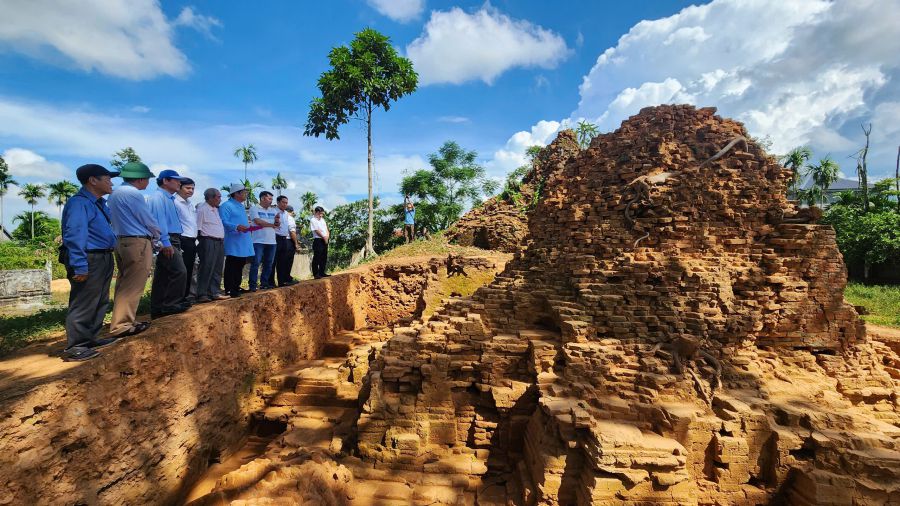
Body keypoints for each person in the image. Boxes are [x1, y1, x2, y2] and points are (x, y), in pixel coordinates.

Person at [60, 164, 120, 361]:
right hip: (88, 256)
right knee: (84, 300)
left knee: (100, 298)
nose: (111, 182)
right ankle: (75, 346)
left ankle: (90, 338)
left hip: (102, 255)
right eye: (107, 178)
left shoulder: (98, 204)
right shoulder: (79, 203)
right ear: (93, 180)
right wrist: (79, 265)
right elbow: (74, 235)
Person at [108, 161, 159, 338]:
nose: (148, 183)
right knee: (133, 284)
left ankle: (124, 320)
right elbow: (146, 218)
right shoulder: (132, 194)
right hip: (137, 242)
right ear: (140, 179)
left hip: (122, 241)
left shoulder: (114, 194)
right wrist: (157, 233)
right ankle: (122, 325)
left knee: (124, 283)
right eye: (147, 179)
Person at [147, 169, 189, 318]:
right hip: (168, 239)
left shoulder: (168, 198)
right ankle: (170, 304)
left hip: (172, 238)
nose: (179, 183)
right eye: (176, 180)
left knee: (163, 274)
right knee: (179, 271)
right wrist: (165, 242)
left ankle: (158, 308)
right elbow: (159, 222)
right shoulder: (159, 197)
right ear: (165, 181)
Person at [220, 183, 254, 298]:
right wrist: (236, 226)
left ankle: (236, 286)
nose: (246, 194)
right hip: (233, 239)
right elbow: (223, 221)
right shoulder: (226, 206)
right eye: (244, 192)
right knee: (232, 263)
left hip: (243, 239)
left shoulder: (240, 206)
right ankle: (229, 288)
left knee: (240, 264)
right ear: (236, 193)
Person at [195, 188, 228, 302]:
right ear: (210, 198)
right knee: (206, 267)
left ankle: (214, 292)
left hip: (219, 241)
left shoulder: (216, 210)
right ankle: (202, 294)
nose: (220, 199)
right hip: (207, 241)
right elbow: (197, 228)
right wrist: (201, 243)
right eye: (218, 197)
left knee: (218, 267)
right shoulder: (202, 209)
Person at [249, 191, 279, 291]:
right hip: (258, 241)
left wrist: (277, 221)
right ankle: (252, 285)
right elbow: (258, 222)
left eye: (271, 199)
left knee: (268, 263)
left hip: (272, 241)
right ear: (262, 198)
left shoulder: (273, 210)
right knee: (256, 263)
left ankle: (264, 283)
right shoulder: (254, 208)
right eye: (269, 199)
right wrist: (271, 225)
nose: (271, 201)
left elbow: (277, 224)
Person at [174, 178, 198, 301]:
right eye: (188, 188)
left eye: (193, 188)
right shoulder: (174, 202)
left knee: (188, 269)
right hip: (181, 239)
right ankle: (177, 298)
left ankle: (184, 297)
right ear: (179, 187)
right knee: (181, 271)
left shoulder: (190, 204)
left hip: (192, 241)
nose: (191, 191)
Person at [270, 196, 299, 287]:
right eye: (283, 202)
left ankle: (281, 281)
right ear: (278, 202)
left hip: (283, 239)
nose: (285, 204)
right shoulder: (273, 211)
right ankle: (270, 282)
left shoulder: (286, 213)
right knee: (273, 261)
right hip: (275, 237)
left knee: (282, 261)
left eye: (286, 202)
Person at [310, 206, 329, 279]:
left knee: (324, 256)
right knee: (317, 257)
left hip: (325, 239)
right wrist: (324, 237)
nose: (322, 214)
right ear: (317, 212)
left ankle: (322, 272)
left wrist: (327, 235)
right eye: (321, 213)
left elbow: (326, 228)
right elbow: (316, 230)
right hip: (318, 240)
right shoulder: (313, 220)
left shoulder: (322, 220)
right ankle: (316, 274)